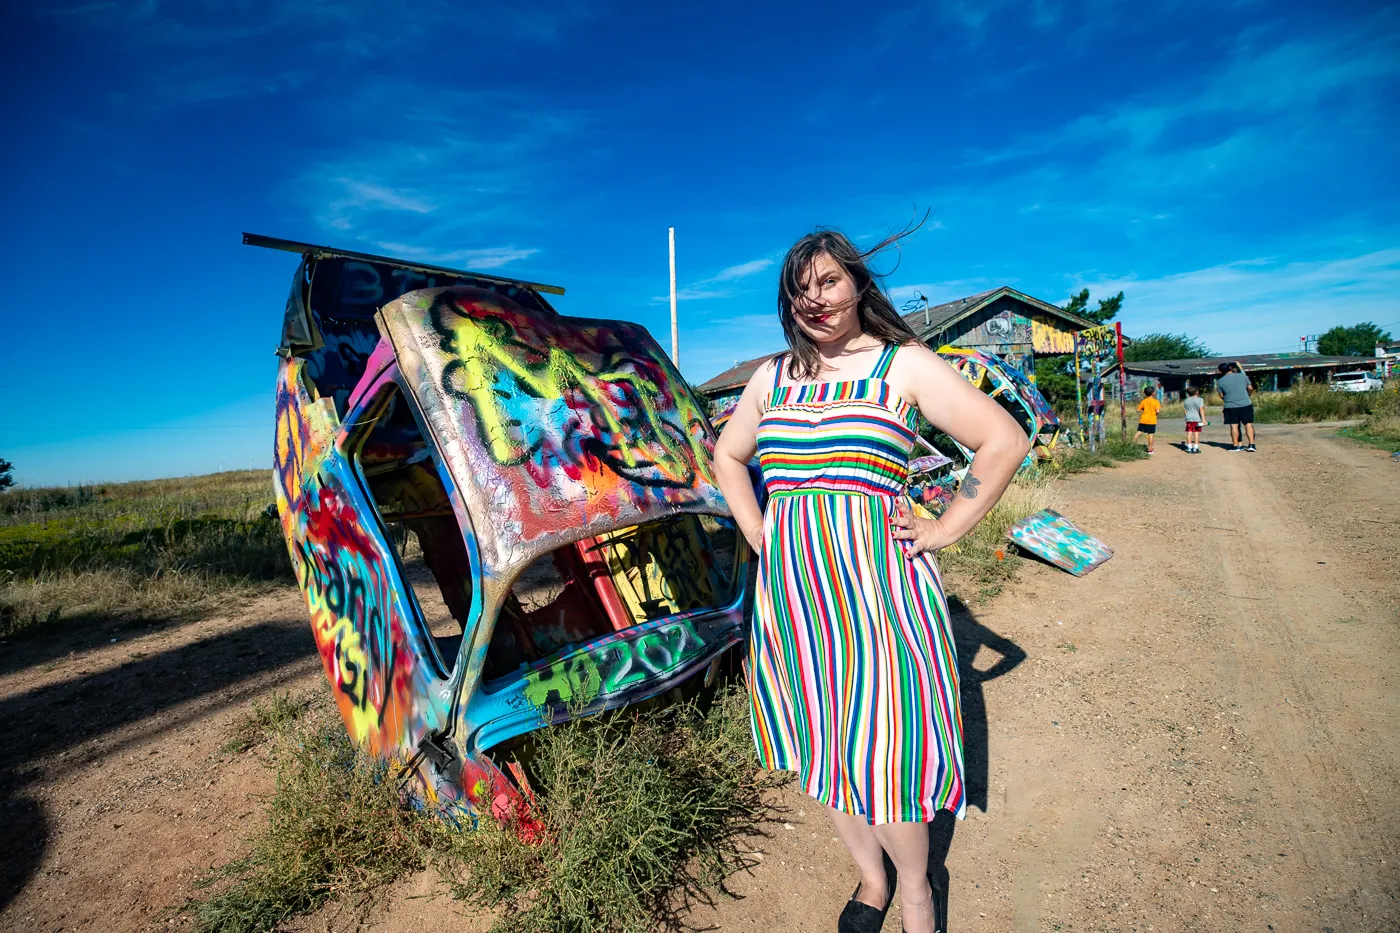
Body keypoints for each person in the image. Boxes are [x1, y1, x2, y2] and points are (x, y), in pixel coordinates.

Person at [712, 229, 1029, 933]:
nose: (812, 299)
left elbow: (1004, 439)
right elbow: (728, 456)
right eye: (799, 288)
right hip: (796, 603)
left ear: (857, 285)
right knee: (823, 743)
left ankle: (915, 888)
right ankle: (870, 878)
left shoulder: (904, 365)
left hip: (881, 597)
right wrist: (759, 529)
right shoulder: (772, 378)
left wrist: (946, 527)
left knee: (883, 750)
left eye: (827, 282)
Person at [1216, 362, 1256, 451]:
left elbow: (1221, 395)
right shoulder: (1242, 376)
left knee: (1234, 426)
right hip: (1245, 404)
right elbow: (1250, 388)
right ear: (1230, 368)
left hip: (1230, 405)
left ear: (1220, 371)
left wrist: (1227, 399)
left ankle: (1236, 446)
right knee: (1248, 424)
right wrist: (1247, 395)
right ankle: (1251, 445)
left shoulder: (1220, 381)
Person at [1133, 384, 1162, 454]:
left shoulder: (1144, 401)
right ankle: (1150, 449)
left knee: (1139, 431)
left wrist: (1143, 409)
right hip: (1151, 420)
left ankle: (1132, 443)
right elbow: (1157, 411)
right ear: (1153, 393)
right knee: (1150, 434)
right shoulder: (1156, 401)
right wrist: (1156, 413)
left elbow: (1138, 410)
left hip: (1143, 419)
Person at [1183, 386, 1205, 454]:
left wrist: (1186, 416)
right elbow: (1201, 410)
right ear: (1197, 392)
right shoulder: (1200, 400)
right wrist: (1204, 420)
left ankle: (1189, 447)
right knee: (1196, 433)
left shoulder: (1186, 400)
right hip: (1196, 418)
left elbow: (1185, 410)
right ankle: (1195, 447)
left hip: (1188, 418)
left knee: (1189, 432)